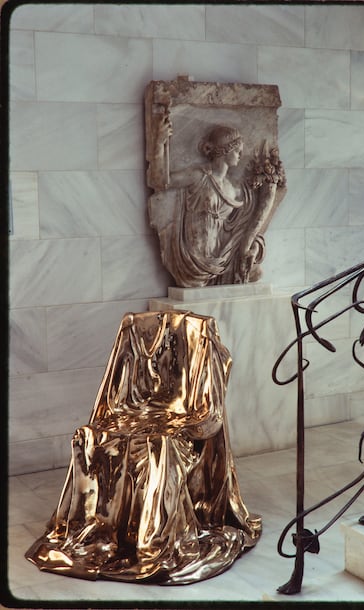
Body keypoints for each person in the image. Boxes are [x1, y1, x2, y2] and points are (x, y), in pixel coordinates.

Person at [26, 310, 262, 585]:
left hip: (182, 413)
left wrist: (177, 421)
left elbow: (208, 413)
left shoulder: (203, 337)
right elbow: (115, 398)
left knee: (160, 445)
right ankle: (103, 531)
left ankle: (151, 541)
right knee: (90, 436)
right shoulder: (130, 328)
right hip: (137, 412)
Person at [150, 120, 285, 287]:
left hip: (223, 258)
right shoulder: (199, 176)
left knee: (255, 273)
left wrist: (253, 245)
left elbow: (242, 227)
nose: (240, 155)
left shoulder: (234, 189)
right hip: (194, 261)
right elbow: (159, 181)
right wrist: (159, 142)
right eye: (237, 150)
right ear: (225, 150)